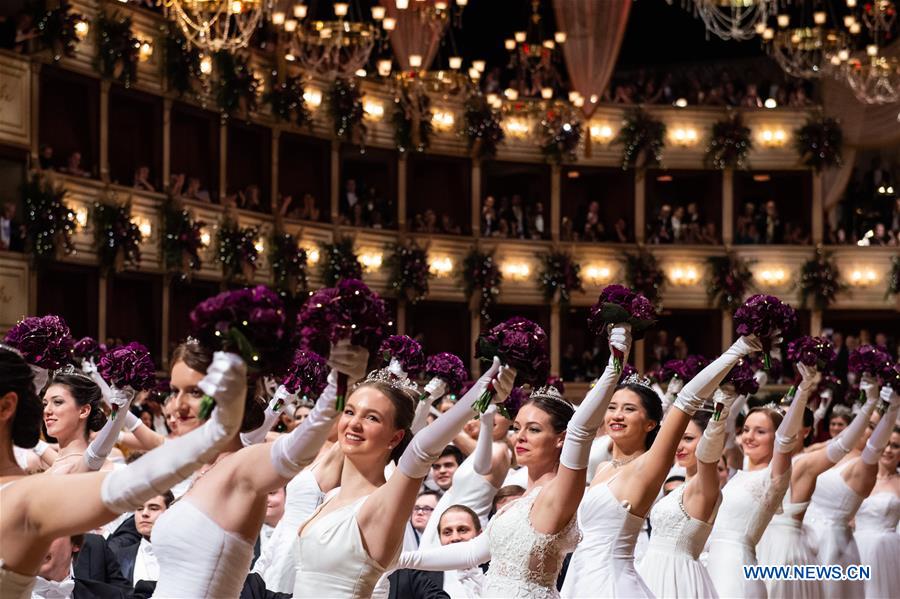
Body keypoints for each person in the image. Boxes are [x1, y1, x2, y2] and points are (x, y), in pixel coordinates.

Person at [398, 325, 632, 598]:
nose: (520, 437)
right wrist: (402, 560)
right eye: (518, 427)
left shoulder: (560, 490)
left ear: (560, 438)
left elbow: (581, 430)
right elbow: (473, 551)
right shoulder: (518, 501)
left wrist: (613, 366)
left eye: (533, 429)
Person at [0, 345, 248, 597]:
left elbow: (129, 481)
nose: (49, 410)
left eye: (57, 402)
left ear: (6, 407)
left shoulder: (26, 499)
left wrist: (219, 427)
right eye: (46, 403)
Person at [149, 339, 369, 598]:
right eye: (175, 391)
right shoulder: (203, 468)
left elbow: (298, 449)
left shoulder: (243, 465)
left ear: (232, 395)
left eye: (195, 392)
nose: (178, 405)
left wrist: (338, 384)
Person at [292, 358, 516, 598]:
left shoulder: (382, 502)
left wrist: (477, 396)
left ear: (395, 438)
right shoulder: (332, 495)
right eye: (350, 411)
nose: (354, 423)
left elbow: (423, 450)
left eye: (372, 418)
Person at [568, 333, 760, 598]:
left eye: (629, 409)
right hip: (579, 577)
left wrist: (737, 350)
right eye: (612, 407)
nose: (617, 415)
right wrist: (613, 366)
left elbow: (688, 400)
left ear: (650, 424)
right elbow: (576, 429)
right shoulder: (602, 468)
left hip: (611, 584)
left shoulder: (648, 467)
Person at [756, 367, 881, 598]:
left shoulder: (804, 463)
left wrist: (870, 404)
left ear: (802, 431)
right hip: (756, 547)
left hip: (787, 551)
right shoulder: (754, 466)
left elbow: (843, 444)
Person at [706, 352, 817, 598]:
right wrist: (746, 384)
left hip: (736, 567)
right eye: (746, 430)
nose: (749, 437)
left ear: (775, 438)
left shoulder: (774, 476)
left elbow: (786, 438)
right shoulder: (738, 469)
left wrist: (802, 390)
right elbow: (727, 423)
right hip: (712, 561)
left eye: (760, 431)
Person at [804, 384, 899, 599]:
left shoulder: (864, 465)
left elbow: (874, 448)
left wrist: (892, 410)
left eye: (871, 425)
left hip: (832, 544)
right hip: (806, 536)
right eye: (861, 419)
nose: (861, 426)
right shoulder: (828, 452)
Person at [390, 505, 485, 599]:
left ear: (479, 534)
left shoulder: (495, 567)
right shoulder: (421, 578)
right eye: (447, 532)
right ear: (440, 539)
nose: (455, 538)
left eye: (463, 530)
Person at [853, 425, 900, 599]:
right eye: (886, 444)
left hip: (888, 553)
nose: (888, 450)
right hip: (855, 547)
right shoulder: (860, 477)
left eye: (895, 446)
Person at [111, 491, 173, 586]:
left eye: (153, 508)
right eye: (139, 509)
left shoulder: (188, 554)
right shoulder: (119, 557)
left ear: (170, 512)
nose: (144, 513)